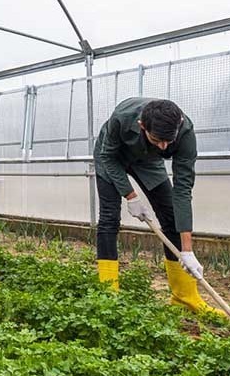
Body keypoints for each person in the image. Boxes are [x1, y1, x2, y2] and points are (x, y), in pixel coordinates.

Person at [94, 97, 221, 316]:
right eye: (157, 139)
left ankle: (184, 297)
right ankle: (108, 295)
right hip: (111, 157)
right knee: (109, 218)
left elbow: (182, 189)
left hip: (148, 162)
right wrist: (131, 195)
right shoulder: (122, 118)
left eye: (168, 142)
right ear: (142, 126)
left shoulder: (185, 133)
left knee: (170, 217)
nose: (164, 147)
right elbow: (108, 156)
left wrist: (187, 250)